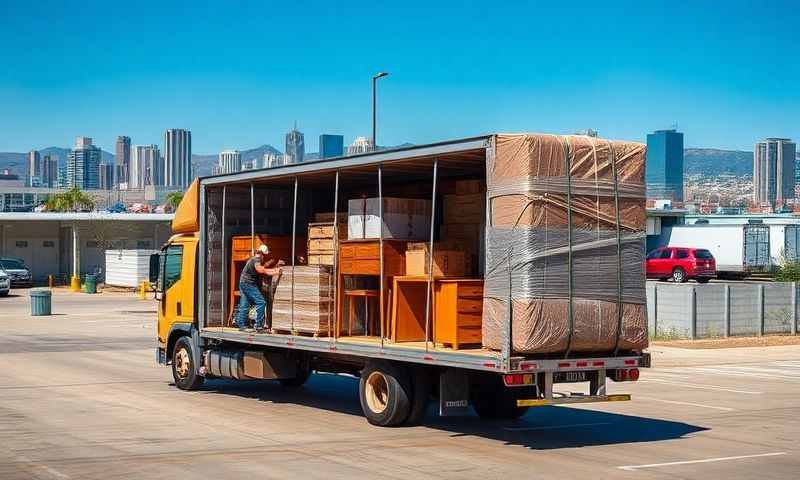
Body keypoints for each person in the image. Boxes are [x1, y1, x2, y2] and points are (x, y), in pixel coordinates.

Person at [236, 244, 282, 332]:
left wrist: (273, 267)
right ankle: (259, 326)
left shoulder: (253, 259)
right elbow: (261, 270)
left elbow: (263, 268)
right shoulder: (256, 260)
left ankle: (242, 325)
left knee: (245, 304)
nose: (265, 257)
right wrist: (275, 272)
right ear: (261, 254)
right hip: (248, 284)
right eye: (265, 255)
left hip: (243, 283)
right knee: (261, 302)